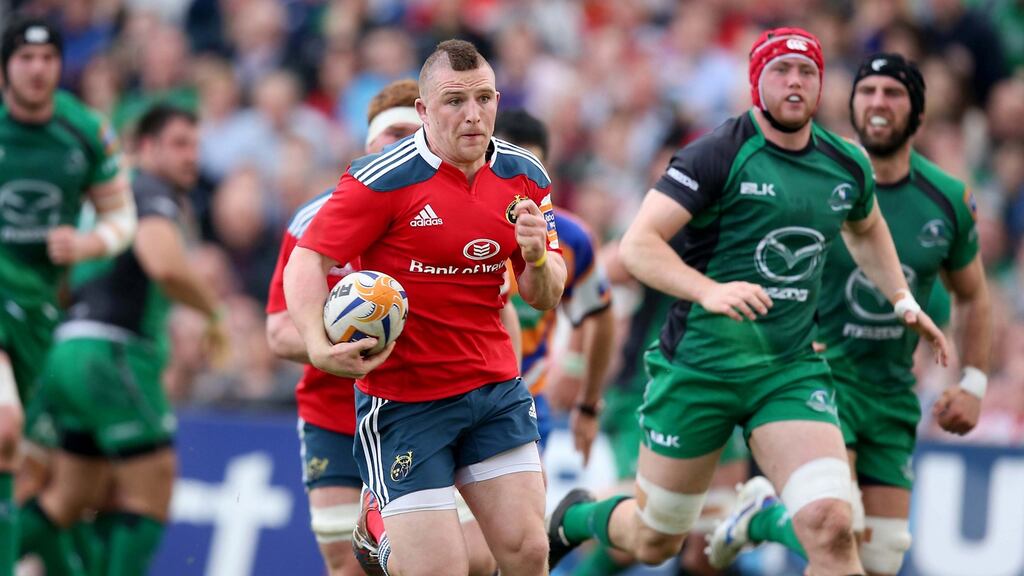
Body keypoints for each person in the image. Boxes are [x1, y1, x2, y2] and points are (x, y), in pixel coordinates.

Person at [546, 27, 949, 576]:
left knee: (833, 524)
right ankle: (576, 519)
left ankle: (756, 519)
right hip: (699, 370)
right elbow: (638, 248)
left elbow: (867, 226)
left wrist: (902, 299)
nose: (795, 82)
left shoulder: (846, 164)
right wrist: (709, 290)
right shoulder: (717, 153)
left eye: (807, 73)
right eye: (781, 70)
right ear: (757, 80)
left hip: (788, 371)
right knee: (654, 539)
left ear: (821, 85)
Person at [283, 39, 565, 576]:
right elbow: (306, 262)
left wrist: (536, 257)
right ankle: (382, 533)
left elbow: (543, 294)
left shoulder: (526, 175)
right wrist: (320, 348)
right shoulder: (380, 179)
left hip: (493, 389)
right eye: (455, 101)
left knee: (527, 552)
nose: (473, 114)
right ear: (423, 111)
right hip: (406, 402)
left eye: (484, 98)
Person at [707, 52, 991, 576]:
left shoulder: (948, 200)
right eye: (868, 91)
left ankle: (758, 517)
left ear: (919, 114)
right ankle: (768, 517)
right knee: (836, 533)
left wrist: (972, 382)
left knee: (880, 557)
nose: (878, 103)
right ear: (852, 104)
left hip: (892, 393)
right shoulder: (818, 179)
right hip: (821, 380)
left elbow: (973, 294)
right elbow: (757, 268)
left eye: (894, 93)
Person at [19, 104, 225, 576]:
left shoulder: (101, 203)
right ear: (145, 149)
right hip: (111, 352)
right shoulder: (149, 190)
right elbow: (164, 265)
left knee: (71, 497)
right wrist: (212, 311)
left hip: (68, 349)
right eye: (178, 144)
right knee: (152, 490)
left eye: (195, 145)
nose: (191, 156)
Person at [264, 79, 422, 576]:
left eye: (413, 137)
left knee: (444, 561)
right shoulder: (313, 222)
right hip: (333, 414)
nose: (400, 147)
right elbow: (276, 330)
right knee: (346, 565)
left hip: (418, 409)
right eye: (391, 135)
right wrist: (323, 348)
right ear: (367, 145)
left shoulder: (440, 223)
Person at [0, 17, 136, 576]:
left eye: (48, 59)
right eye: (25, 59)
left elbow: (121, 217)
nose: (37, 70)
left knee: (27, 460)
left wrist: (86, 243)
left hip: (42, 308)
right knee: (5, 427)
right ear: (7, 65)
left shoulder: (86, 130)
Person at [492, 109, 615, 460]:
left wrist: (588, 401)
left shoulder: (570, 238)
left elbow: (600, 314)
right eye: (506, 166)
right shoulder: (454, 225)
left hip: (528, 398)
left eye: (530, 168)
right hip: (457, 392)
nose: (517, 180)